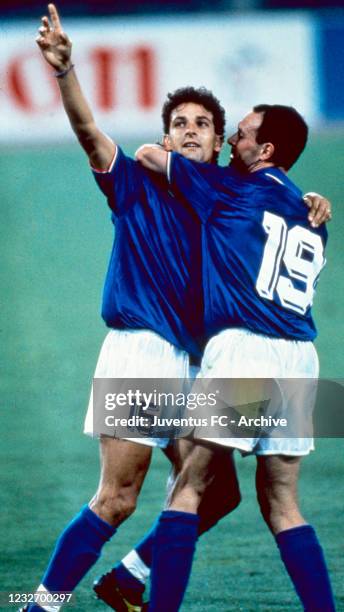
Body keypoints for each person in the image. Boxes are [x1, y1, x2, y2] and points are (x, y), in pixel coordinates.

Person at [22, 5, 246, 612]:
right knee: (118, 497)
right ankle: (41, 605)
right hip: (142, 348)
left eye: (203, 123)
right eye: (180, 122)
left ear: (220, 142)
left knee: (219, 492)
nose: (191, 129)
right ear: (166, 136)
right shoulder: (135, 183)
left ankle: (128, 578)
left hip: (197, 361)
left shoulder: (232, 201)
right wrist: (66, 74)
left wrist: (313, 199)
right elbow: (89, 132)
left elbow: (277, 195)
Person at [136, 106, 336, 611]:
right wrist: (314, 196)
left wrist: (194, 161)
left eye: (241, 135)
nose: (229, 142)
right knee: (283, 501)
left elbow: (147, 156)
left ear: (265, 150)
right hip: (299, 357)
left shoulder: (228, 189)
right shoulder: (311, 214)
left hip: (246, 350)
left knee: (190, 486)